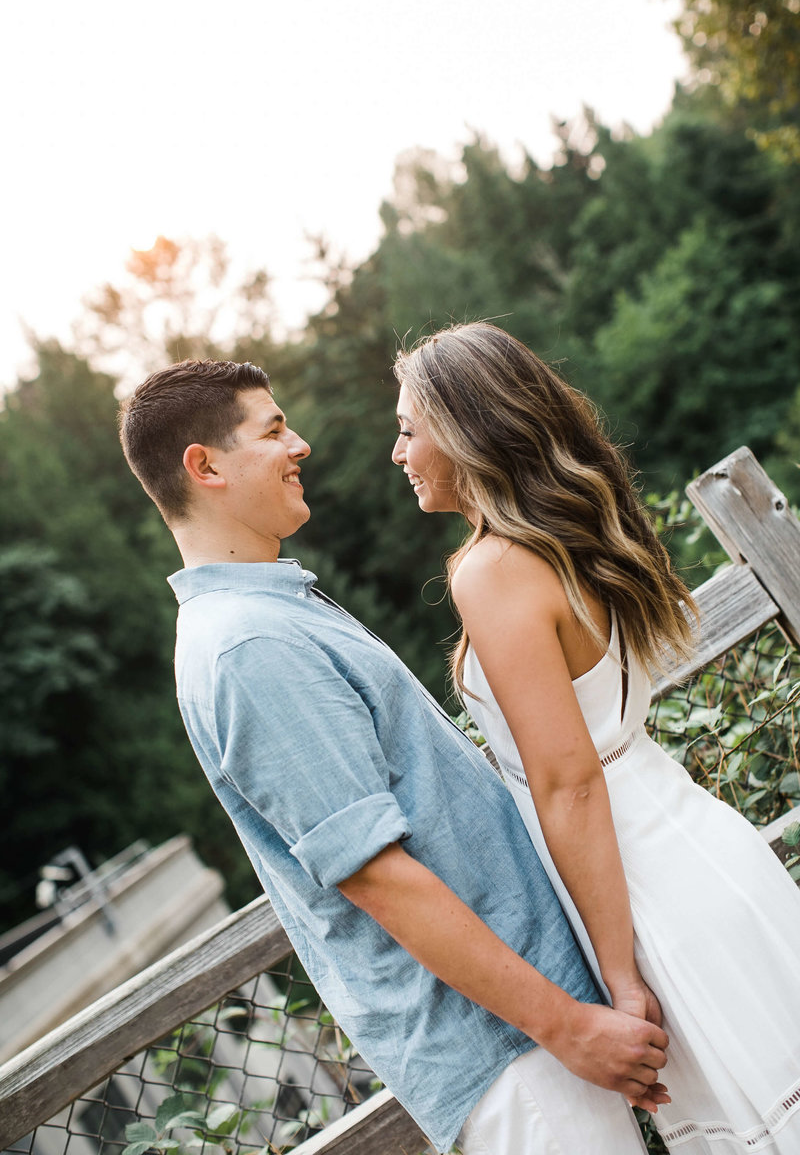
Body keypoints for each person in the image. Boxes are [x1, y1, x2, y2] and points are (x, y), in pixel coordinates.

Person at [118, 357, 670, 1155]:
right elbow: (377, 877)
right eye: (273, 430)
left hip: (532, 1029)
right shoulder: (248, 647)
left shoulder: (272, 612)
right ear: (203, 467)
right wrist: (569, 1025)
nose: (299, 444)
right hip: (509, 1052)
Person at [391, 320, 800, 1155]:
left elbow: (568, 781)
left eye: (407, 429)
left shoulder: (492, 570)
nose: (397, 452)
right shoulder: (566, 538)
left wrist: (618, 977)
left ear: (466, 432)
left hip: (651, 894)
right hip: (699, 848)